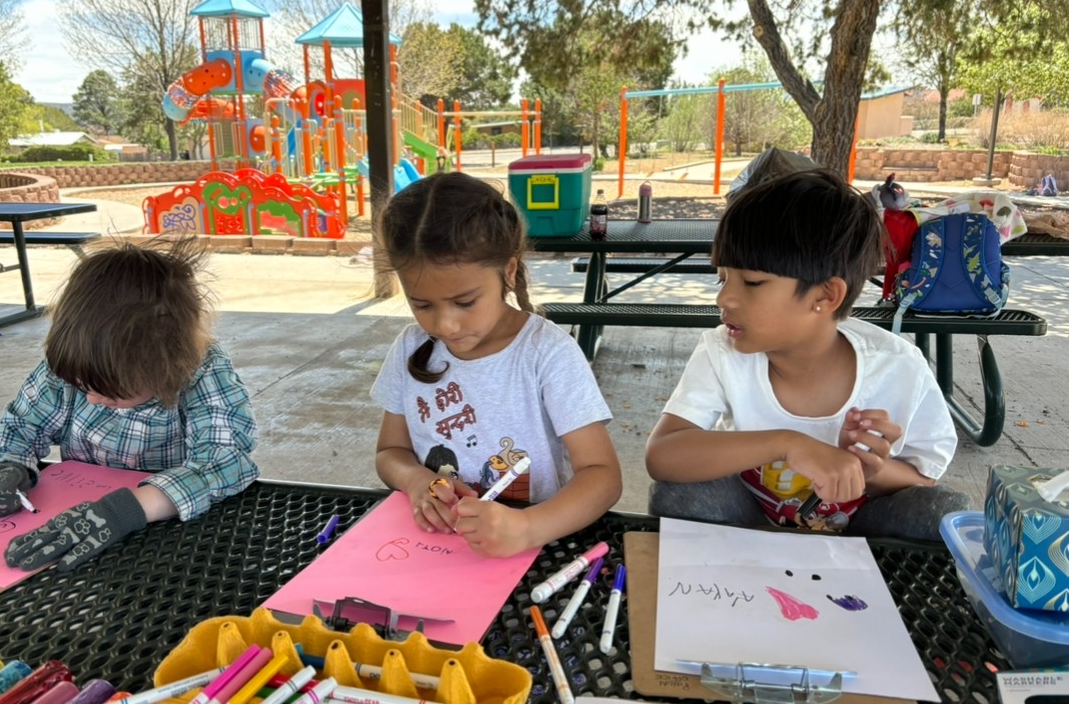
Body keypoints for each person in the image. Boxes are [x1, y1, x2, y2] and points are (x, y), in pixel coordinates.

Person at [645, 168, 970, 539]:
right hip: (751, 521)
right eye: (723, 278)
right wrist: (787, 443)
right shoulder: (723, 351)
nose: (724, 298)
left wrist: (867, 468)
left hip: (858, 528)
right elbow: (662, 455)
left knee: (942, 514)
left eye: (752, 282)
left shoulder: (897, 368)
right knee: (680, 494)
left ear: (825, 296)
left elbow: (924, 482)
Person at [0, 236, 259, 570]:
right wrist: (7, 467)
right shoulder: (75, 365)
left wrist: (125, 510)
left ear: (167, 366)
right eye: (82, 386)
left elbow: (226, 460)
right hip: (80, 533)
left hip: (176, 535)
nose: (91, 399)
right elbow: (21, 427)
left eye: (112, 392)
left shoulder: (201, 369)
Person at [371, 171, 622, 557]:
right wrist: (417, 481)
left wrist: (527, 527)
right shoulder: (411, 347)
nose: (445, 325)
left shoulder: (547, 354)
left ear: (508, 271)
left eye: (465, 302)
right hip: (435, 549)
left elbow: (602, 477)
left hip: (532, 549)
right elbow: (390, 451)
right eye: (422, 304)